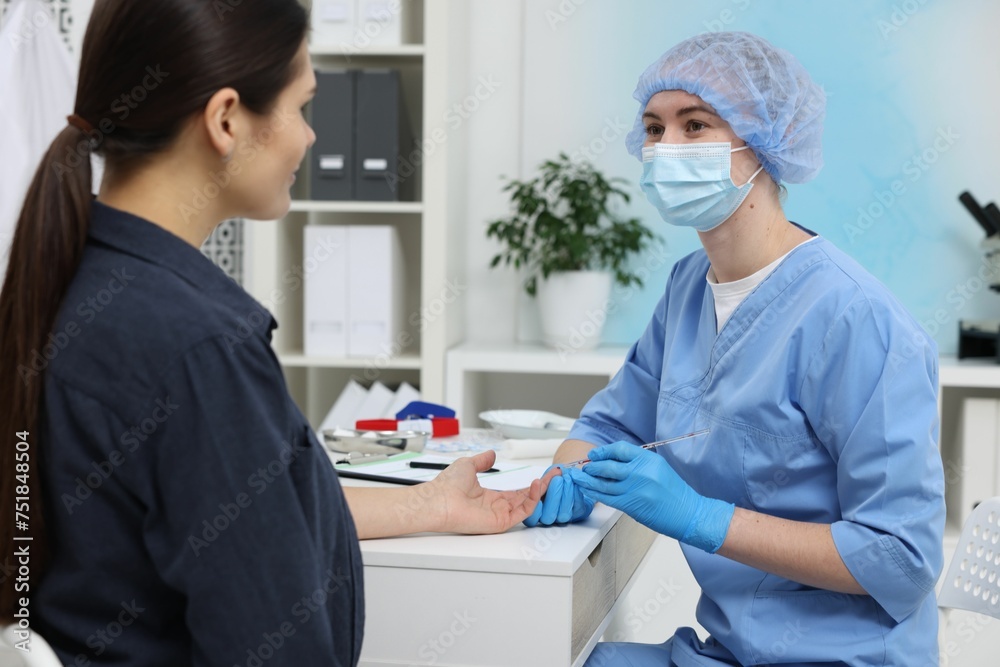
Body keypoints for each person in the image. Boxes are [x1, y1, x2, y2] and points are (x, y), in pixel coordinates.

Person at [0, 1, 543, 664]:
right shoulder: (199, 350)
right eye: (302, 105)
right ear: (226, 119)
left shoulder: (64, 282)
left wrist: (427, 503)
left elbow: (224, 508)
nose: (311, 137)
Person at [525, 32, 945, 666]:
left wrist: (700, 517)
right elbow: (610, 420)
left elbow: (901, 558)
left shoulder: (858, 320)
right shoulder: (689, 289)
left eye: (695, 125)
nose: (665, 148)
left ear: (765, 141)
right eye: (654, 127)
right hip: (731, 648)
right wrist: (570, 473)